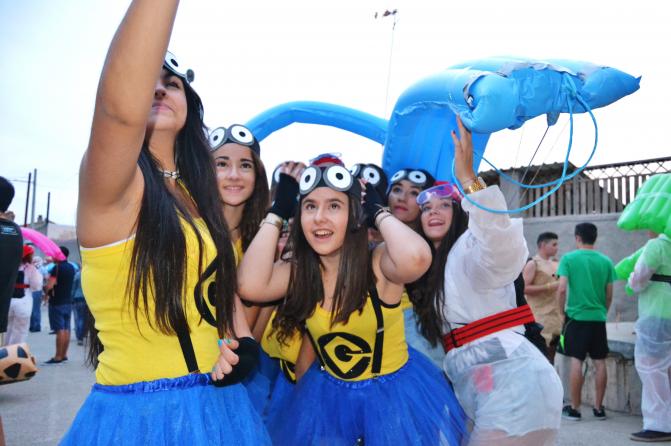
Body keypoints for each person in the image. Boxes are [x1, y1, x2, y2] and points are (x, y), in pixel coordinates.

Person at [61, 1, 269, 444]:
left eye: (172, 83)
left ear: (189, 105)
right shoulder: (112, 186)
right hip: (139, 418)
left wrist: (242, 341)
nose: (157, 89)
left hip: (217, 409)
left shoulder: (198, 195)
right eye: (148, 80)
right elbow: (120, 112)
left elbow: (215, 284)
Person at [238, 155, 469, 445]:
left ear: (355, 215)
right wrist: (278, 211)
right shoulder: (301, 272)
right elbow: (249, 285)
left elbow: (417, 258)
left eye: (334, 206)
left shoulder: (377, 262)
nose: (319, 217)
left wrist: (378, 212)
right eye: (310, 206)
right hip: (330, 399)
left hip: (391, 402)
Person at [409, 117, 563, 445]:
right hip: (480, 389)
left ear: (459, 212)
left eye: (444, 205)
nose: (433, 211)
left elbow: (500, 245)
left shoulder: (470, 248)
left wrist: (469, 180)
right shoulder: (432, 268)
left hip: (516, 386)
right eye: (425, 208)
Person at [557, 222, 616, 421]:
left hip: (576, 318)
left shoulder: (568, 259)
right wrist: (602, 311)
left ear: (577, 238)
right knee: (600, 362)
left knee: (577, 360)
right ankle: (599, 409)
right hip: (598, 318)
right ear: (595, 238)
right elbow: (609, 294)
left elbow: (562, 289)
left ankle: (575, 409)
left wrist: (561, 313)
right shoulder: (606, 261)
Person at [627, 232, 671, 442]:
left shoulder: (657, 245)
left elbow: (638, 280)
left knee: (651, 369)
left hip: (656, 312)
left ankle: (658, 425)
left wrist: (630, 280)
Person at [523, 232, 562, 363]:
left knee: (552, 356)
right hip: (540, 316)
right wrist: (549, 286)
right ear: (543, 245)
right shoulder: (533, 263)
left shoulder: (556, 263)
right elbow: (524, 288)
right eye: (554, 244)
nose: (557, 248)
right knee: (540, 357)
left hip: (555, 317)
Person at [42, 246, 76, 363]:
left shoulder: (56, 268)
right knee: (66, 328)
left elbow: (49, 286)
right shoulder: (71, 267)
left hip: (57, 302)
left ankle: (58, 356)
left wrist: (45, 288)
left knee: (59, 329)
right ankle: (64, 354)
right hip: (68, 301)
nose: (53, 256)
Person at [4, 245, 42, 345]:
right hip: (24, 301)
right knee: (20, 331)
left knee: (7, 328)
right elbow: (36, 285)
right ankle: (15, 351)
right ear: (29, 255)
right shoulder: (31, 268)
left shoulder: (8, 266)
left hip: (8, 301)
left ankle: (5, 350)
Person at [71, 266, 87, 345]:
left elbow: (73, 288)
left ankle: (79, 336)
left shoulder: (77, 275)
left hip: (77, 298)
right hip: (85, 298)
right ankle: (82, 335)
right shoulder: (87, 275)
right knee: (83, 318)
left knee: (77, 318)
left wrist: (71, 298)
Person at [29, 255, 46, 332]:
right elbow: (46, 277)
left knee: (33, 308)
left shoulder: (38, 268)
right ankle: (34, 325)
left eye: (35, 260)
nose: (34, 262)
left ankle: (35, 326)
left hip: (34, 289)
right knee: (35, 308)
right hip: (37, 290)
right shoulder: (41, 268)